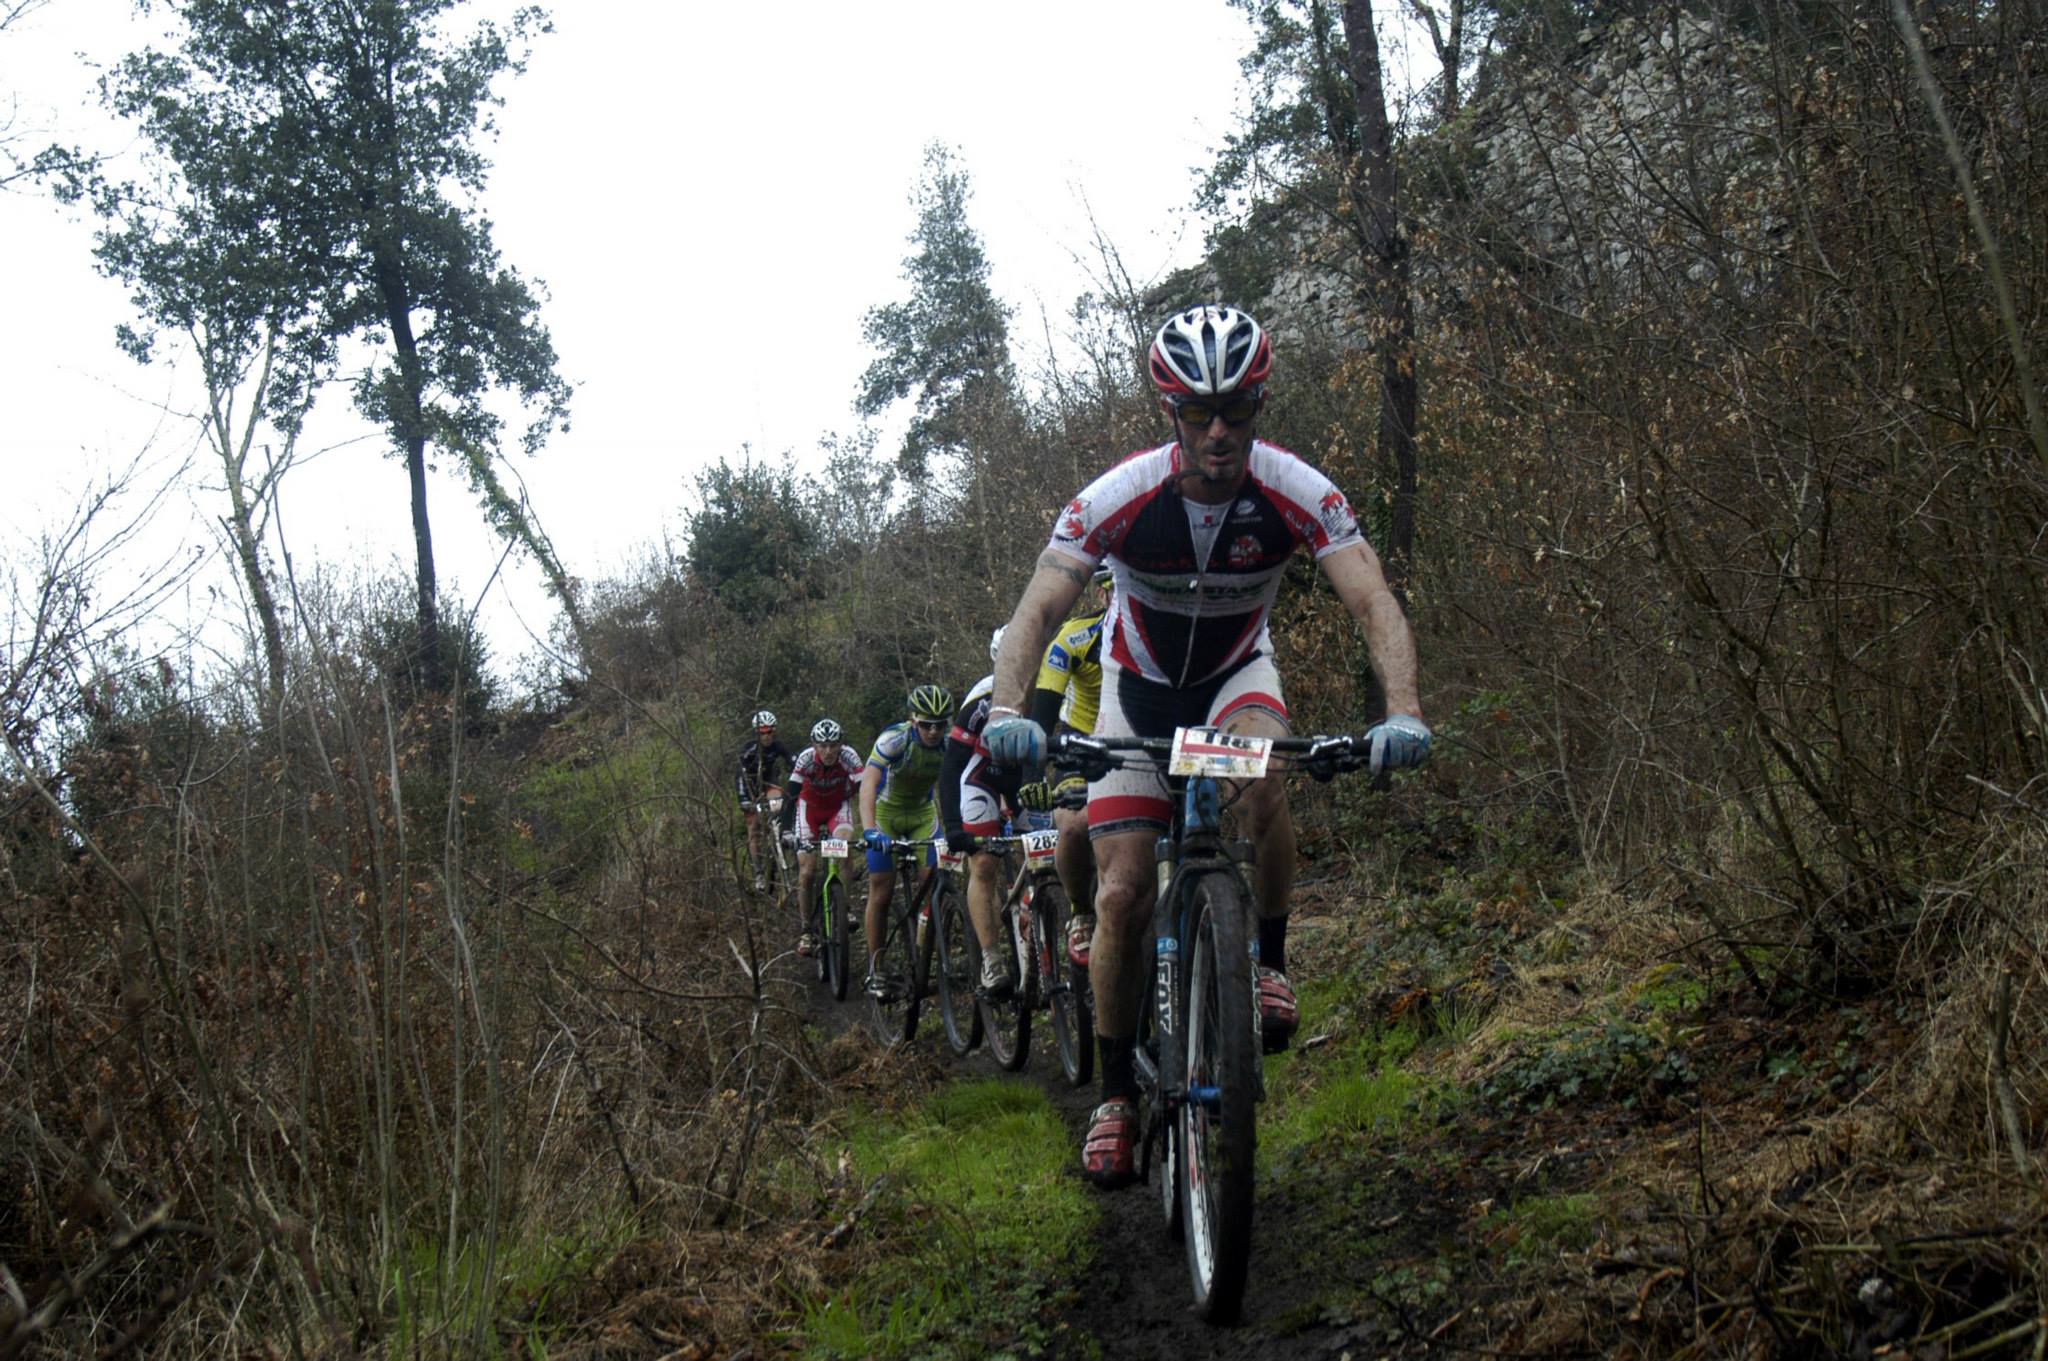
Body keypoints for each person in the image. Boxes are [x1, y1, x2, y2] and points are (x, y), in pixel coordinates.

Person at [982, 304, 1431, 1188]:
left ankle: (1267, 962)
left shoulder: (1297, 490)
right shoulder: (1118, 497)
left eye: (1238, 409)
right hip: (1135, 687)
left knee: (1267, 782)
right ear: (1170, 414)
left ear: (1259, 404)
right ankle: (1114, 1096)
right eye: (1199, 413)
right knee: (1120, 893)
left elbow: (1374, 599)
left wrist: (1404, 711)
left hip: (1235, 679)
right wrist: (1008, 709)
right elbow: (1037, 609)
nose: (1219, 430)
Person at [1016, 567, 1112, 968]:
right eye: (1111, 590)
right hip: (1083, 742)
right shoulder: (1075, 638)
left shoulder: (1169, 632)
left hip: (1140, 740)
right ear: (1102, 595)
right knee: (1072, 824)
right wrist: (1032, 777)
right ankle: (1081, 911)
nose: (1119, 598)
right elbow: (1042, 714)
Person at [939, 629, 1028, 997]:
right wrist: (953, 826)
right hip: (981, 776)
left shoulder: (1051, 687)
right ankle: (992, 958)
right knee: (984, 863)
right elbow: (951, 767)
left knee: (1049, 855)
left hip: (1024, 776)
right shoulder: (979, 702)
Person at [857, 683, 954, 996]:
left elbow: (960, 784)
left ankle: (927, 949)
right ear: (914, 720)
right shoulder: (895, 738)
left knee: (936, 883)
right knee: (882, 889)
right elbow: (869, 784)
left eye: (941, 725)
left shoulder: (950, 743)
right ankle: (877, 967)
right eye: (927, 725)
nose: (934, 732)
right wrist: (870, 829)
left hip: (923, 814)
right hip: (887, 814)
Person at [776, 718, 864, 955]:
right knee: (807, 870)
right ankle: (806, 930)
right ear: (814, 745)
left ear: (840, 744)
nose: (828, 751)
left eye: (833, 745)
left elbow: (865, 787)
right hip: (809, 809)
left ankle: (844, 907)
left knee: (844, 850)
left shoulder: (849, 757)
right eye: (822, 746)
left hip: (837, 807)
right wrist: (786, 830)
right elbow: (791, 796)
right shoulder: (805, 759)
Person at [735, 710, 794, 889]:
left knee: (777, 806)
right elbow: (739, 775)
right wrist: (744, 799)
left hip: (768, 784)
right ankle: (759, 872)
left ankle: (777, 836)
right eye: (762, 733)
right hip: (750, 789)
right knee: (753, 828)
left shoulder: (778, 746)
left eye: (769, 732)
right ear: (757, 733)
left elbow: (794, 762)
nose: (766, 736)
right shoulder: (748, 749)